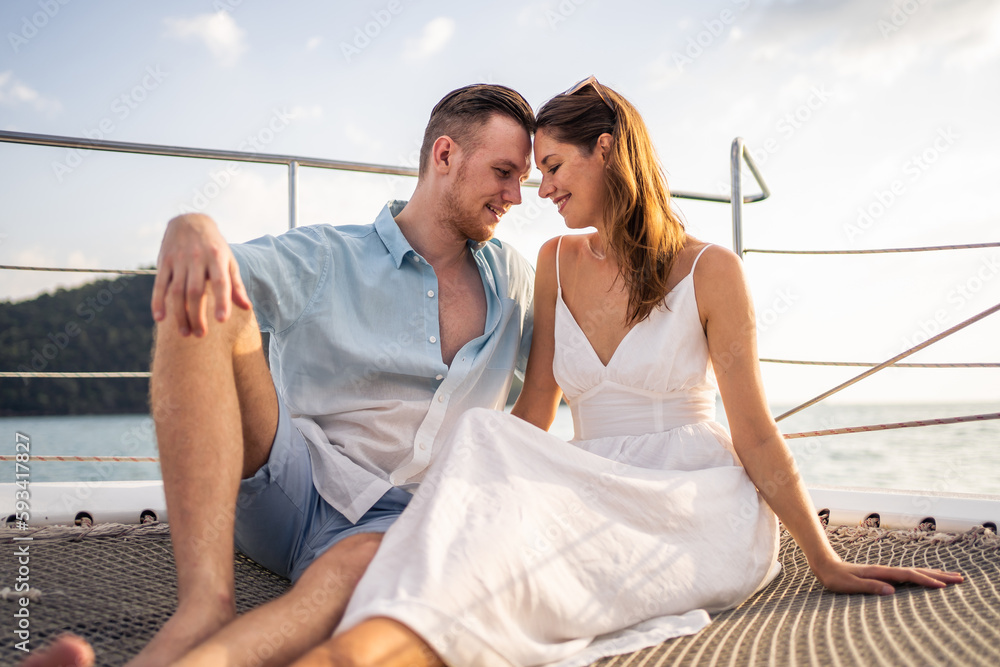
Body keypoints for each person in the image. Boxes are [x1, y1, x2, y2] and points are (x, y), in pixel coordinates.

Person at [290, 78, 965, 667]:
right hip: (593, 478)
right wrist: (455, 500)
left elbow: (754, 432)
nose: (542, 187)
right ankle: (390, 625)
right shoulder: (554, 262)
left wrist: (823, 557)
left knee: (520, 573)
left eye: (553, 165)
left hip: (693, 493)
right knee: (483, 442)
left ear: (606, 149)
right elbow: (533, 414)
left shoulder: (712, 270)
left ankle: (386, 644)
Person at [22, 84, 536, 667]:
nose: (516, 196)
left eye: (522, 178)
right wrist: (191, 226)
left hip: (404, 523)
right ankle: (204, 605)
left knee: (363, 566)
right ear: (445, 156)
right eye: (503, 172)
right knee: (209, 289)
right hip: (292, 485)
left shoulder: (516, 282)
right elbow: (211, 266)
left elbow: (581, 358)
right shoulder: (328, 255)